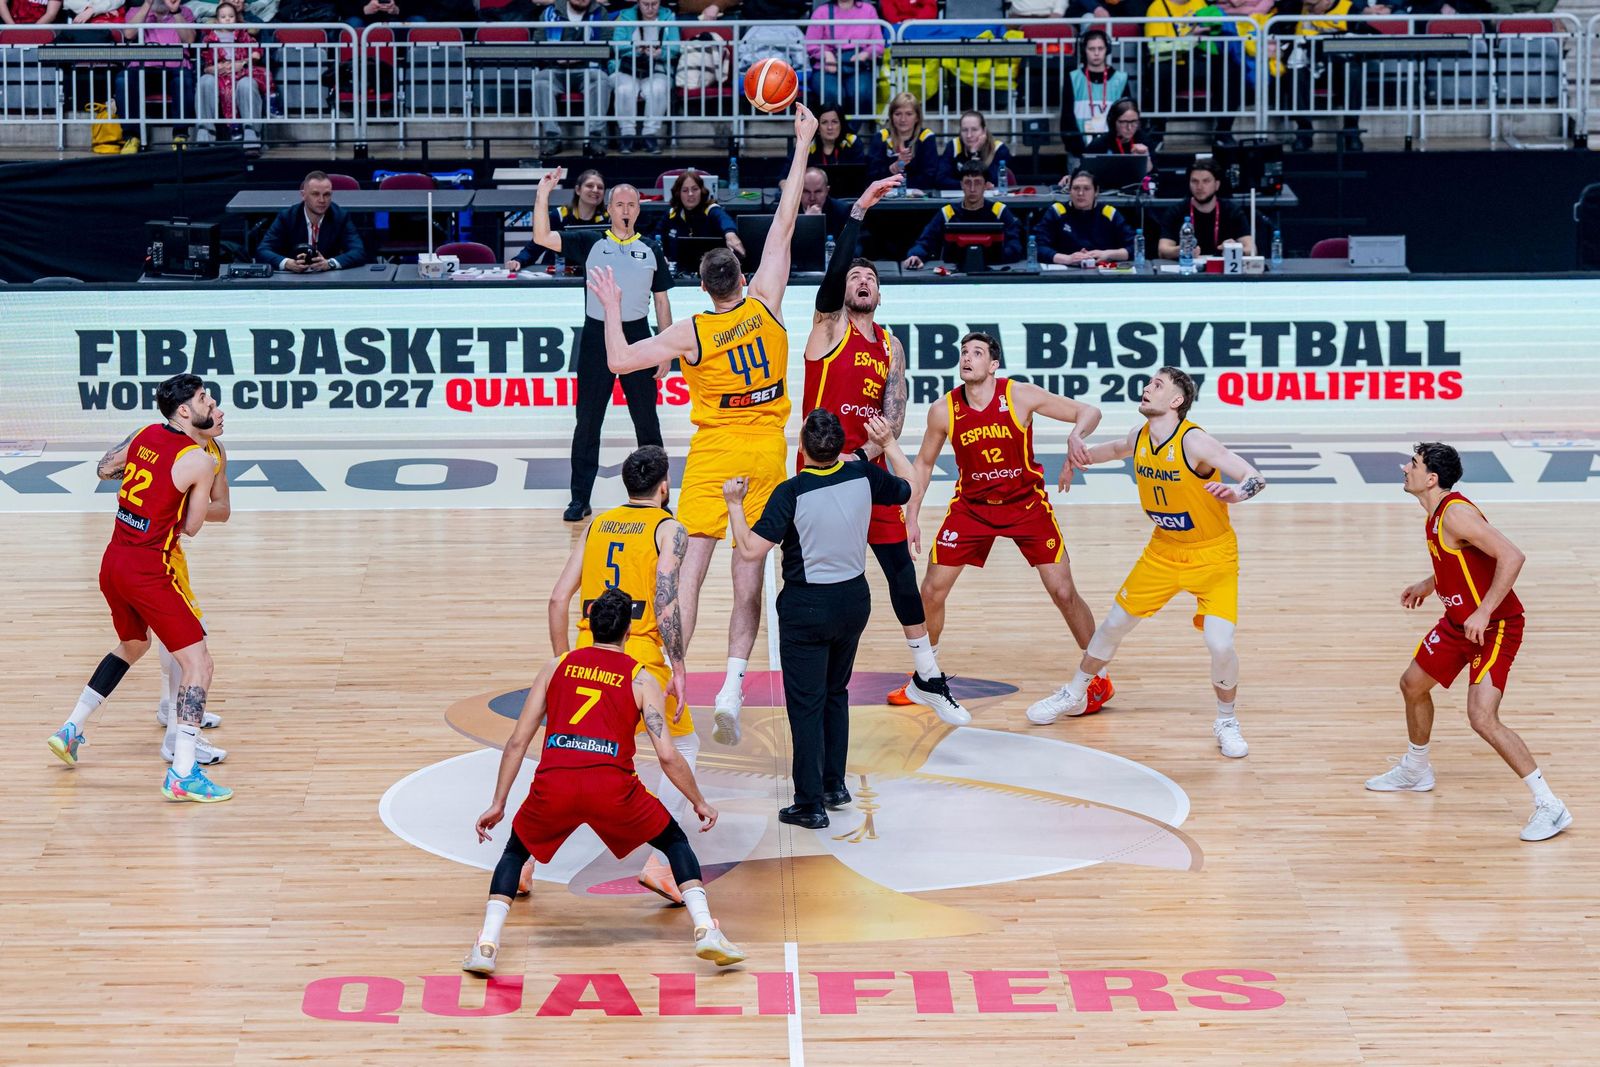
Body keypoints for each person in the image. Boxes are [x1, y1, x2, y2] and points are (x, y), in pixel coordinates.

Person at [588, 105, 820, 748]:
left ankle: (673, 685)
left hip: (714, 454)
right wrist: (801, 143)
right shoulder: (769, 304)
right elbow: (782, 222)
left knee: (685, 577)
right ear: (742, 279)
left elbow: (618, 361)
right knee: (750, 577)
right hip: (767, 455)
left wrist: (613, 308)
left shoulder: (692, 330)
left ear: (701, 284)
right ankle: (733, 687)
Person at [463, 587, 746, 976]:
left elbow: (517, 742)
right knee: (674, 842)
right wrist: (699, 800)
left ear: (589, 623)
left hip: (555, 784)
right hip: (613, 788)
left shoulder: (556, 666)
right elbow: (666, 754)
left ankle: (486, 944)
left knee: (514, 853)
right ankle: (705, 930)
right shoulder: (641, 678)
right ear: (628, 631)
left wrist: (498, 802)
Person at [1025, 368, 1264, 761]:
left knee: (1219, 642)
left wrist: (1238, 492)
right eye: (1149, 382)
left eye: (1157, 385)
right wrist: (1078, 456)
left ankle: (1226, 720)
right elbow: (1117, 449)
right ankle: (1074, 692)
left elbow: (1252, 475)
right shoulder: (1141, 436)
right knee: (1114, 624)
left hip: (1212, 555)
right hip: (1163, 551)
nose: (1146, 388)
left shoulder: (1194, 441)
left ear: (1176, 401)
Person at [803, 174, 970, 722]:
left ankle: (928, 674)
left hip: (863, 468)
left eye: (870, 276)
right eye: (854, 275)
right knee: (815, 578)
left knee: (900, 569)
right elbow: (832, 282)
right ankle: (805, 673)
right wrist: (858, 213)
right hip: (819, 473)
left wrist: (870, 456)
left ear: (880, 291)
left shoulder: (891, 344)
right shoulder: (828, 328)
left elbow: (892, 416)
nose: (862, 279)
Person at [1364, 443, 1571, 842]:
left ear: (1432, 478)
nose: (1404, 467)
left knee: (1482, 717)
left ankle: (1550, 805)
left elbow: (1512, 556)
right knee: (1412, 684)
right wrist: (1430, 584)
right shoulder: (1435, 514)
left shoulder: (1456, 513)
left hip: (1495, 626)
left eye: (1414, 464)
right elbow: (1463, 561)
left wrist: (1484, 611)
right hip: (1459, 623)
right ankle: (1416, 769)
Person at [722, 410, 916, 828]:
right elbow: (910, 486)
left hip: (807, 607)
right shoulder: (863, 475)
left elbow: (750, 550)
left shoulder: (790, 492)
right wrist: (889, 445)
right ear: (842, 446)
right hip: (853, 601)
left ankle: (809, 804)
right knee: (835, 693)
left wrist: (734, 505)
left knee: (806, 705)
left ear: (802, 449)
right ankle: (834, 785)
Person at [903, 333, 1112, 713]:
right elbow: (923, 465)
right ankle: (926, 675)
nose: (967, 358)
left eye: (977, 353)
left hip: (1025, 504)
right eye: (963, 352)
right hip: (972, 507)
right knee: (931, 590)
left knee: (1063, 591)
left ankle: (1096, 678)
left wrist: (1075, 438)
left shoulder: (1019, 395)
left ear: (993, 365)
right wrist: (912, 516)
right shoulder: (943, 410)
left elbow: (1089, 412)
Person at [47, 374, 231, 803]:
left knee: (132, 644)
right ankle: (183, 770)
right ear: (185, 410)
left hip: (113, 560)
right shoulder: (201, 460)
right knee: (198, 664)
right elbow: (192, 527)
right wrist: (183, 496)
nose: (211, 402)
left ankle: (71, 727)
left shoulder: (147, 433)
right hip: (150, 569)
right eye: (204, 397)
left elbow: (108, 468)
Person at [545, 445, 699, 897]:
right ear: (664, 486)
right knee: (684, 747)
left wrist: (563, 664)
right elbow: (666, 601)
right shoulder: (669, 529)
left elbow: (557, 600)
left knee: (569, 760)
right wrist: (680, 664)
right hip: (638, 660)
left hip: (588, 652)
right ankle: (661, 863)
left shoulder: (596, 525)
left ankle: (525, 863)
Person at [522, 172, 671, 522]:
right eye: (619, 203)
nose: (625, 209)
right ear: (608, 208)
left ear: (638, 210)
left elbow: (662, 302)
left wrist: (666, 349)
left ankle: (659, 496)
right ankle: (579, 498)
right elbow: (541, 236)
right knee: (587, 422)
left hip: (638, 336)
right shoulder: (589, 241)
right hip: (596, 336)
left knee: (647, 422)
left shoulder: (652, 249)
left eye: (631, 204)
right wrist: (543, 194)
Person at [96, 406, 233, 766]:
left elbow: (222, 510)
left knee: (172, 646)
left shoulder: (214, 454)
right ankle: (178, 737)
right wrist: (166, 491)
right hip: (154, 560)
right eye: (208, 401)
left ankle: (171, 718)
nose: (218, 411)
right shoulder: (165, 444)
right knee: (192, 649)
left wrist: (189, 500)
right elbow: (106, 470)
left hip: (157, 555)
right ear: (187, 412)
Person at [901, 159, 1023, 271]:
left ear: (986, 185)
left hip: (992, 271)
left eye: (978, 183)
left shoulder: (1000, 211)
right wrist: (915, 255)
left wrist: (984, 257)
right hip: (954, 272)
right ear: (961, 185)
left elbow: (1015, 247)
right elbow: (924, 242)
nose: (972, 188)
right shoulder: (947, 212)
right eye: (968, 182)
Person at [115, 0, 198, 151]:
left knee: (184, 80)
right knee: (123, 79)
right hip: (142, 68)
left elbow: (190, 39)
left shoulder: (184, 12)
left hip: (175, 67)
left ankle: (180, 135)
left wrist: (175, 12)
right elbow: (129, 34)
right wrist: (147, 5)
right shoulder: (135, 11)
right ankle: (132, 137)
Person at [533, 0, 613, 155]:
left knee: (601, 80)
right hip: (556, 68)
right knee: (540, 81)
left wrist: (579, 55)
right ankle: (553, 139)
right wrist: (557, 56)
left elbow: (607, 44)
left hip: (588, 68)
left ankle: (595, 139)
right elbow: (538, 43)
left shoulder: (599, 12)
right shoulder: (550, 13)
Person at [255, 170, 369, 273]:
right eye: (315, 194)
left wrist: (330, 263)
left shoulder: (340, 216)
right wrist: (287, 263)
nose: (322, 200)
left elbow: (358, 251)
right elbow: (262, 250)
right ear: (303, 195)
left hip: (328, 277)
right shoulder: (287, 217)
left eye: (327, 194)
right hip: (294, 278)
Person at [196, 1, 268, 151]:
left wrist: (242, 63)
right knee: (205, 81)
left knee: (246, 84)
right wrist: (212, 69)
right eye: (223, 17)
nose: (227, 19)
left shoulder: (244, 34)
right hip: (218, 74)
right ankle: (205, 134)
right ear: (217, 20)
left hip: (242, 72)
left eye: (231, 16)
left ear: (237, 18)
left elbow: (256, 54)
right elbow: (204, 62)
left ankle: (251, 134)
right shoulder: (208, 37)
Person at [609, 0, 679, 154]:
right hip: (627, 68)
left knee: (658, 89)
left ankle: (650, 134)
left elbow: (675, 47)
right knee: (624, 90)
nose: (650, 8)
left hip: (657, 68)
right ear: (638, 3)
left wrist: (661, 53)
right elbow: (616, 44)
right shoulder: (626, 16)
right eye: (645, 4)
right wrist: (637, 49)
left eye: (654, 4)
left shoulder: (668, 17)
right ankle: (627, 135)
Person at [508, 169, 608, 273]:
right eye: (590, 186)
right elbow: (535, 246)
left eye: (600, 187)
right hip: (557, 273)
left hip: (593, 276)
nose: (595, 190)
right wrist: (518, 260)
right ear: (578, 190)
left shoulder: (608, 219)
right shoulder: (560, 215)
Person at [1035, 169, 1137, 266]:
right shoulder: (1057, 211)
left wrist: (1108, 254)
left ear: (1096, 191)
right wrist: (1067, 259)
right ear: (1069, 190)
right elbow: (1037, 247)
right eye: (1076, 188)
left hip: (1102, 274)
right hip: (1065, 273)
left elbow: (1135, 247)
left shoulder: (1109, 213)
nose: (1080, 193)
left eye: (1086, 189)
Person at [1158, 159, 1256, 259]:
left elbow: (1252, 249)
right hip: (1187, 268)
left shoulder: (1232, 211)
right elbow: (1162, 250)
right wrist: (1181, 250)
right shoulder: (1175, 211)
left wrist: (1234, 249)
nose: (1199, 187)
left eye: (1206, 181)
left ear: (1217, 185)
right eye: (1194, 181)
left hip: (1222, 271)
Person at [804, 0, 885, 120]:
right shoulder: (822, 11)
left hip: (859, 64)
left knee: (861, 92)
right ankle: (833, 133)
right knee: (833, 93)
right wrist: (826, 55)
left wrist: (865, 55)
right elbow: (811, 44)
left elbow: (878, 44)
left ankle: (850, 133)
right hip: (826, 66)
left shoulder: (868, 10)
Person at [653, 169, 745, 264]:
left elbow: (724, 220)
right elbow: (655, 238)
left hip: (711, 269)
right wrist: (659, 256)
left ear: (702, 191)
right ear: (678, 193)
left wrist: (730, 234)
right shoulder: (672, 214)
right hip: (679, 269)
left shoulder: (711, 210)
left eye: (695, 189)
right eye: (685, 190)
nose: (690, 194)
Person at [1061, 29, 1129, 154]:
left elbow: (1126, 117)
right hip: (1079, 149)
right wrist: (1076, 147)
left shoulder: (1120, 79)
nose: (1096, 53)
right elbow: (1067, 116)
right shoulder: (1073, 78)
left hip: (1112, 149)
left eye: (1100, 48)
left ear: (1107, 50)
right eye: (1091, 49)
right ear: (1084, 51)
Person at [869, 92, 947, 192]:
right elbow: (871, 177)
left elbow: (930, 176)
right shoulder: (881, 137)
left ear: (917, 117)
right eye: (898, 114)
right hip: (884, 197)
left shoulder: (926, 137)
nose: (903, 119)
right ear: (891, 116)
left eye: (909, 114)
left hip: (918, 197)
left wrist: (902, 186)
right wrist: (893, 168)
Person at [940, 109, 1011, 190]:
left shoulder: (998, 149)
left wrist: (974, 153)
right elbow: (940, 179)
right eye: (964, 130)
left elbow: (993, 181)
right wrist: (966, 185)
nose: (969, 135)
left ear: (984, 130)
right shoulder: (954, 146)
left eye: (974, 130)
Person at [1080, 99, 1161, 165]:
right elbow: (1084, 173)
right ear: (1113, 122)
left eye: (1134, 122)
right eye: (1123, 122)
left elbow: (1154, 175)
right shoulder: (1099, 145)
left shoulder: (1145, 141)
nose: (1129, 128)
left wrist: (1145, 159)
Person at [809, 102, 866, 167]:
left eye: (834, 122)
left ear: (841, 124)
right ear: (817, 126)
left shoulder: (852, 142)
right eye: (824, 122)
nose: (830, 127)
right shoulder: (808, 146)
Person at [800, 167, 851, 239]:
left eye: (818, 191)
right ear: (799, 192)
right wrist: (806, 222)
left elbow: (853, 246)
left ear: (827, 191)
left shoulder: (842, 210)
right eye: (806, 192)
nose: (812, 198)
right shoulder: (788, 213)